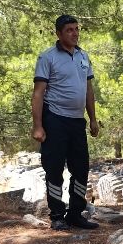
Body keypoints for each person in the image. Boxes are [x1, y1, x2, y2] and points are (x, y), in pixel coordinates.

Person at [31, 14, 100, 230]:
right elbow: (38, 93)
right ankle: (57, 215)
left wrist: (93, 119)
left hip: (77, 121)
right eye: (69, 30)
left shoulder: (83, 57)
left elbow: (88, 90)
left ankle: (75, 214)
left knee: (81, 169)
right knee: (54, 169)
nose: (75, 33)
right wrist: (38, 125)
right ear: (59, 33)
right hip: (55, 120)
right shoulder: (47, 58)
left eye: (76, 29)